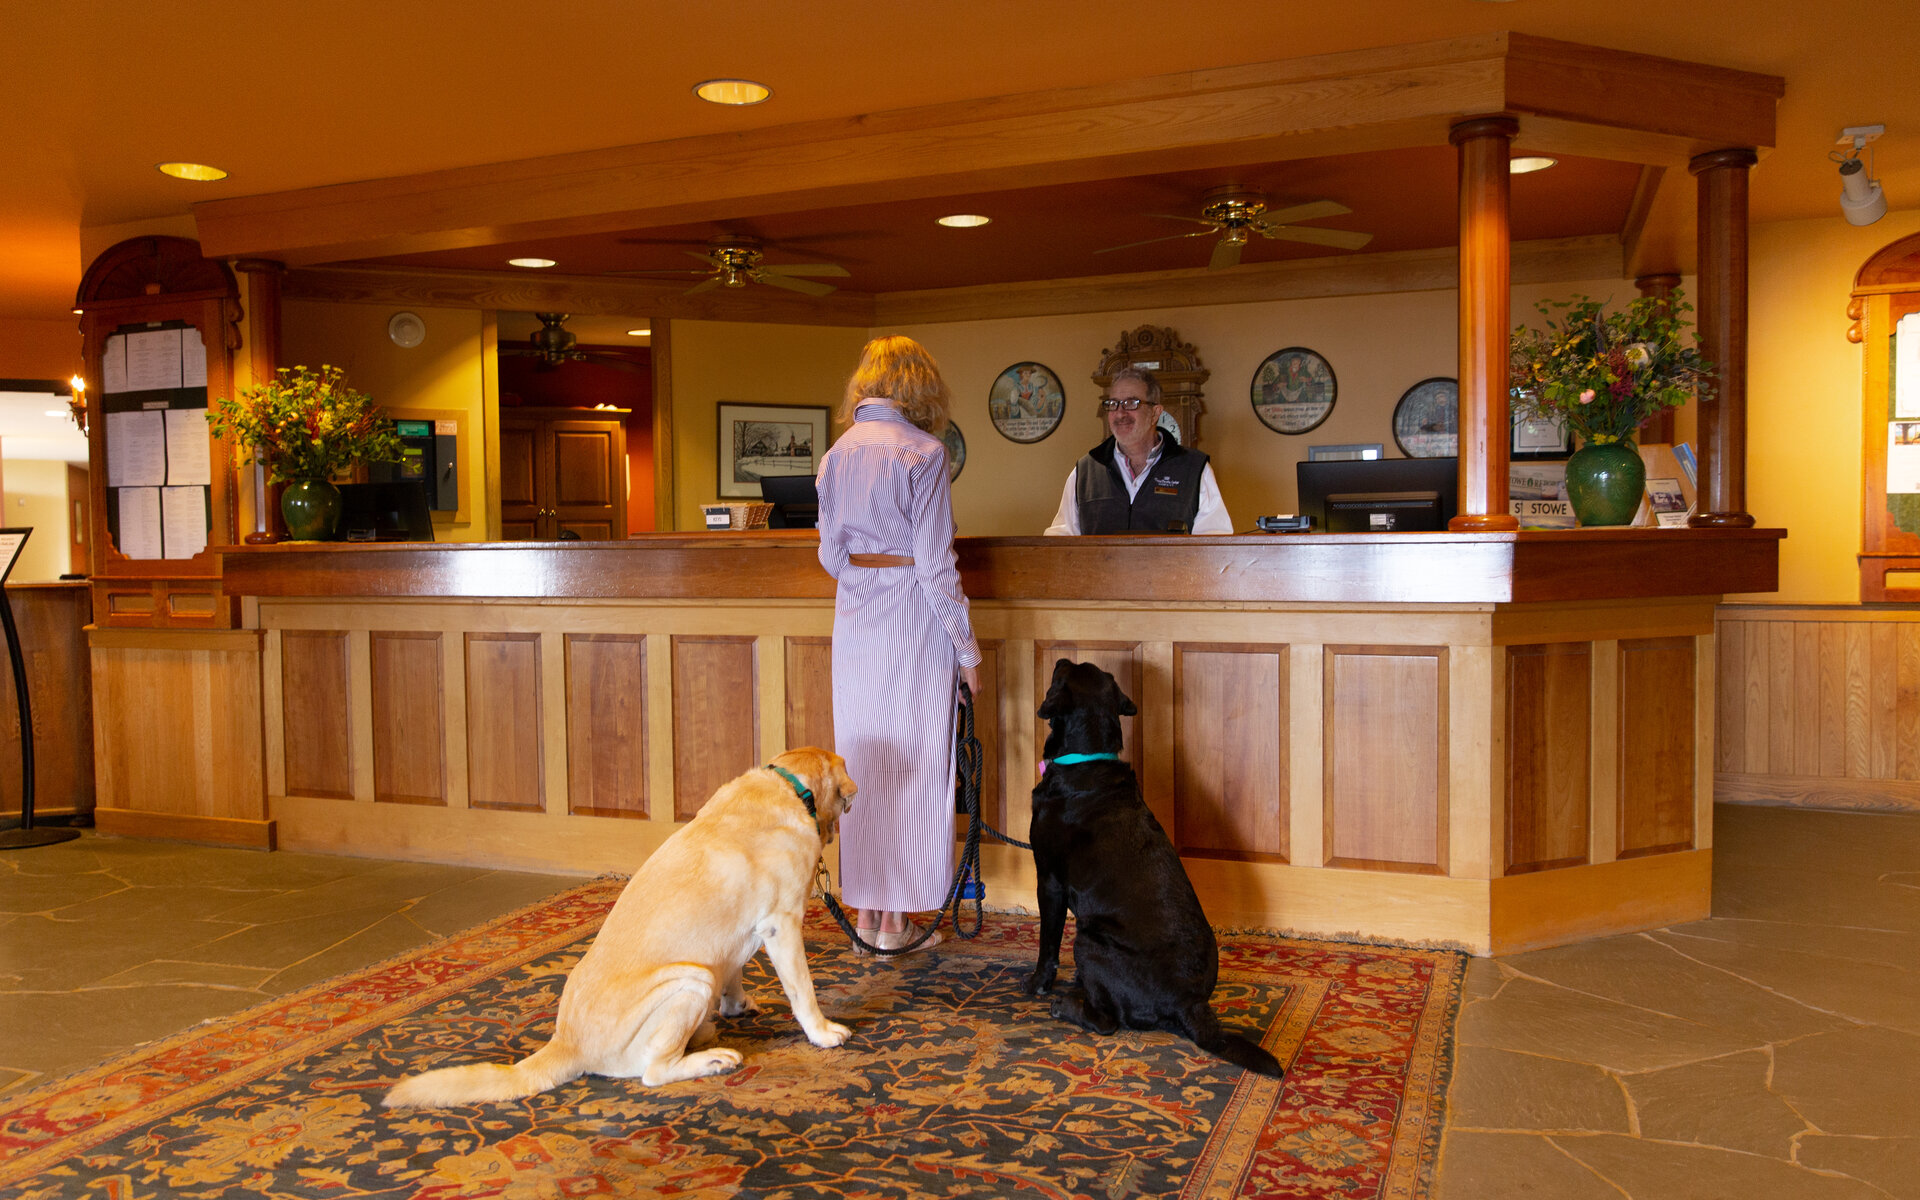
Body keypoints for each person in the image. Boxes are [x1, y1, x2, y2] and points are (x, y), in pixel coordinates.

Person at [816, 335, 982, 955]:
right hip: (914, 620)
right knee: (913, 768)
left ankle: (867, 916)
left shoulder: (835, 456)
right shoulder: (925, 452)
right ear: (920, 387)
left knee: (863, 764)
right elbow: (937, 566)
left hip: (856, 617)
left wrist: (868, 577)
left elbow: (831, 556)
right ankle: (896, 923)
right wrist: (967, 652)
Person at [1044, 366, 1233, 535]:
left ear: (1155, 413)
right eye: (1113, 404)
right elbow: (1061, 541)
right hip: (1098, 575)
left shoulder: (1194, 469)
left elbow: (1214, 547)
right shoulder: (1084, 472)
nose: (1120, 413)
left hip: (1171, 575)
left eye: (1131, 403)